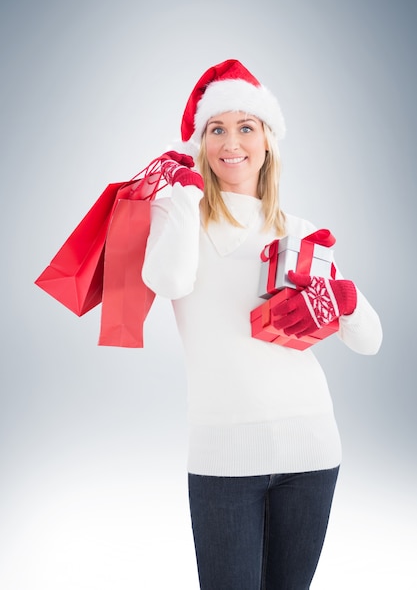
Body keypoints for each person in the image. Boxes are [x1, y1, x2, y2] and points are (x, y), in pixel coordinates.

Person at [142, 59, 383, 590]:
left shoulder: (299, 233)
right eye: (216, 129)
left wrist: (346, 301)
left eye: (245, 127)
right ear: (200, 142)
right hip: (223, 457)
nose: (232, 142)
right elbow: (170, 282)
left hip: (312, 447)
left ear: (267, 140)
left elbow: (369, 341)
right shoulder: (178, 213)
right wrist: (183, 198)